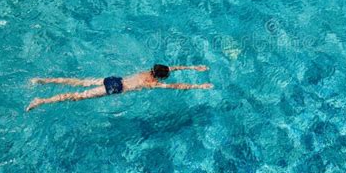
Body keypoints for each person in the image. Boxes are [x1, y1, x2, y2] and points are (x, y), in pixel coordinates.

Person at [26, 64, 212, 111]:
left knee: (77, 81)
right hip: (114, 88)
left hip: (113, 79)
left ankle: (42, 80)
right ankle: (41, 100)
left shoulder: (150, 72)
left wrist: (194, 67)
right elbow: (176, 86)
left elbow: (172, 67)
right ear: (159, 77)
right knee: (77, 96)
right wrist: (199, 86)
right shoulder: (152, 83)